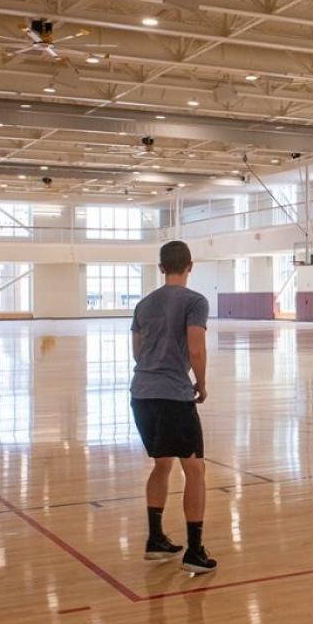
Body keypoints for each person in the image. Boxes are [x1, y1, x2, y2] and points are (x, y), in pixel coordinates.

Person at [131, 240, 216, 573]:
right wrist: (202, 382)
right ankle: (194, 551)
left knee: (161, 465)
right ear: (190, 265)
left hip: (141, 394)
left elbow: (137, 353)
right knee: (195, 470)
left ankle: (156, 540)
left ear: (162, 267)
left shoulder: (144, 304)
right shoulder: (195, 301)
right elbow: (196, 348)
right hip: (172, 396)